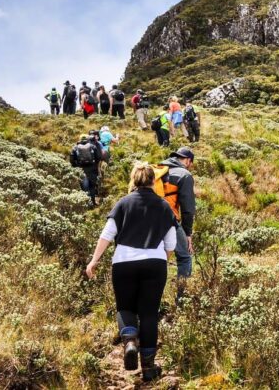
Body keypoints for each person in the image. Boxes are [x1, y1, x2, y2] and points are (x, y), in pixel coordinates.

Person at [85, 162, 177, 382]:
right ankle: (148, 367)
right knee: (148, 313)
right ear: (153, 181)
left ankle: (129, 342)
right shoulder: (164, 206)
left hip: (124, 263)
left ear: (133, 180)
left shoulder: (123, 203)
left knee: (125, 307)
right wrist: (162, 259)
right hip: (155, 264)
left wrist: (94, 260)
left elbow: (107, 234)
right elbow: (171, 244)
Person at [158, 147, 196, 303]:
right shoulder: (184, 175)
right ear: (187, 160)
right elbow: (188, 209)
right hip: (168, 220)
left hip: (146, 220)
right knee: (185, 258)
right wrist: (188, 234)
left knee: (155, 258)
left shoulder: (158, 169)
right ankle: (182, 299)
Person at [70, 134, 101, 206]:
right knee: (92, 186)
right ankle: (93, 202)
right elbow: (98, 157)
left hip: (81, 169)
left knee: (84, 187)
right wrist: (95, 165)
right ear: (88, 139)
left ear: (79, 139)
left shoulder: (75, 148)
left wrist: (76, 166)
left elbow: (71, 160)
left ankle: (86, 204)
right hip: (92, 169)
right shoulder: (92, 146)